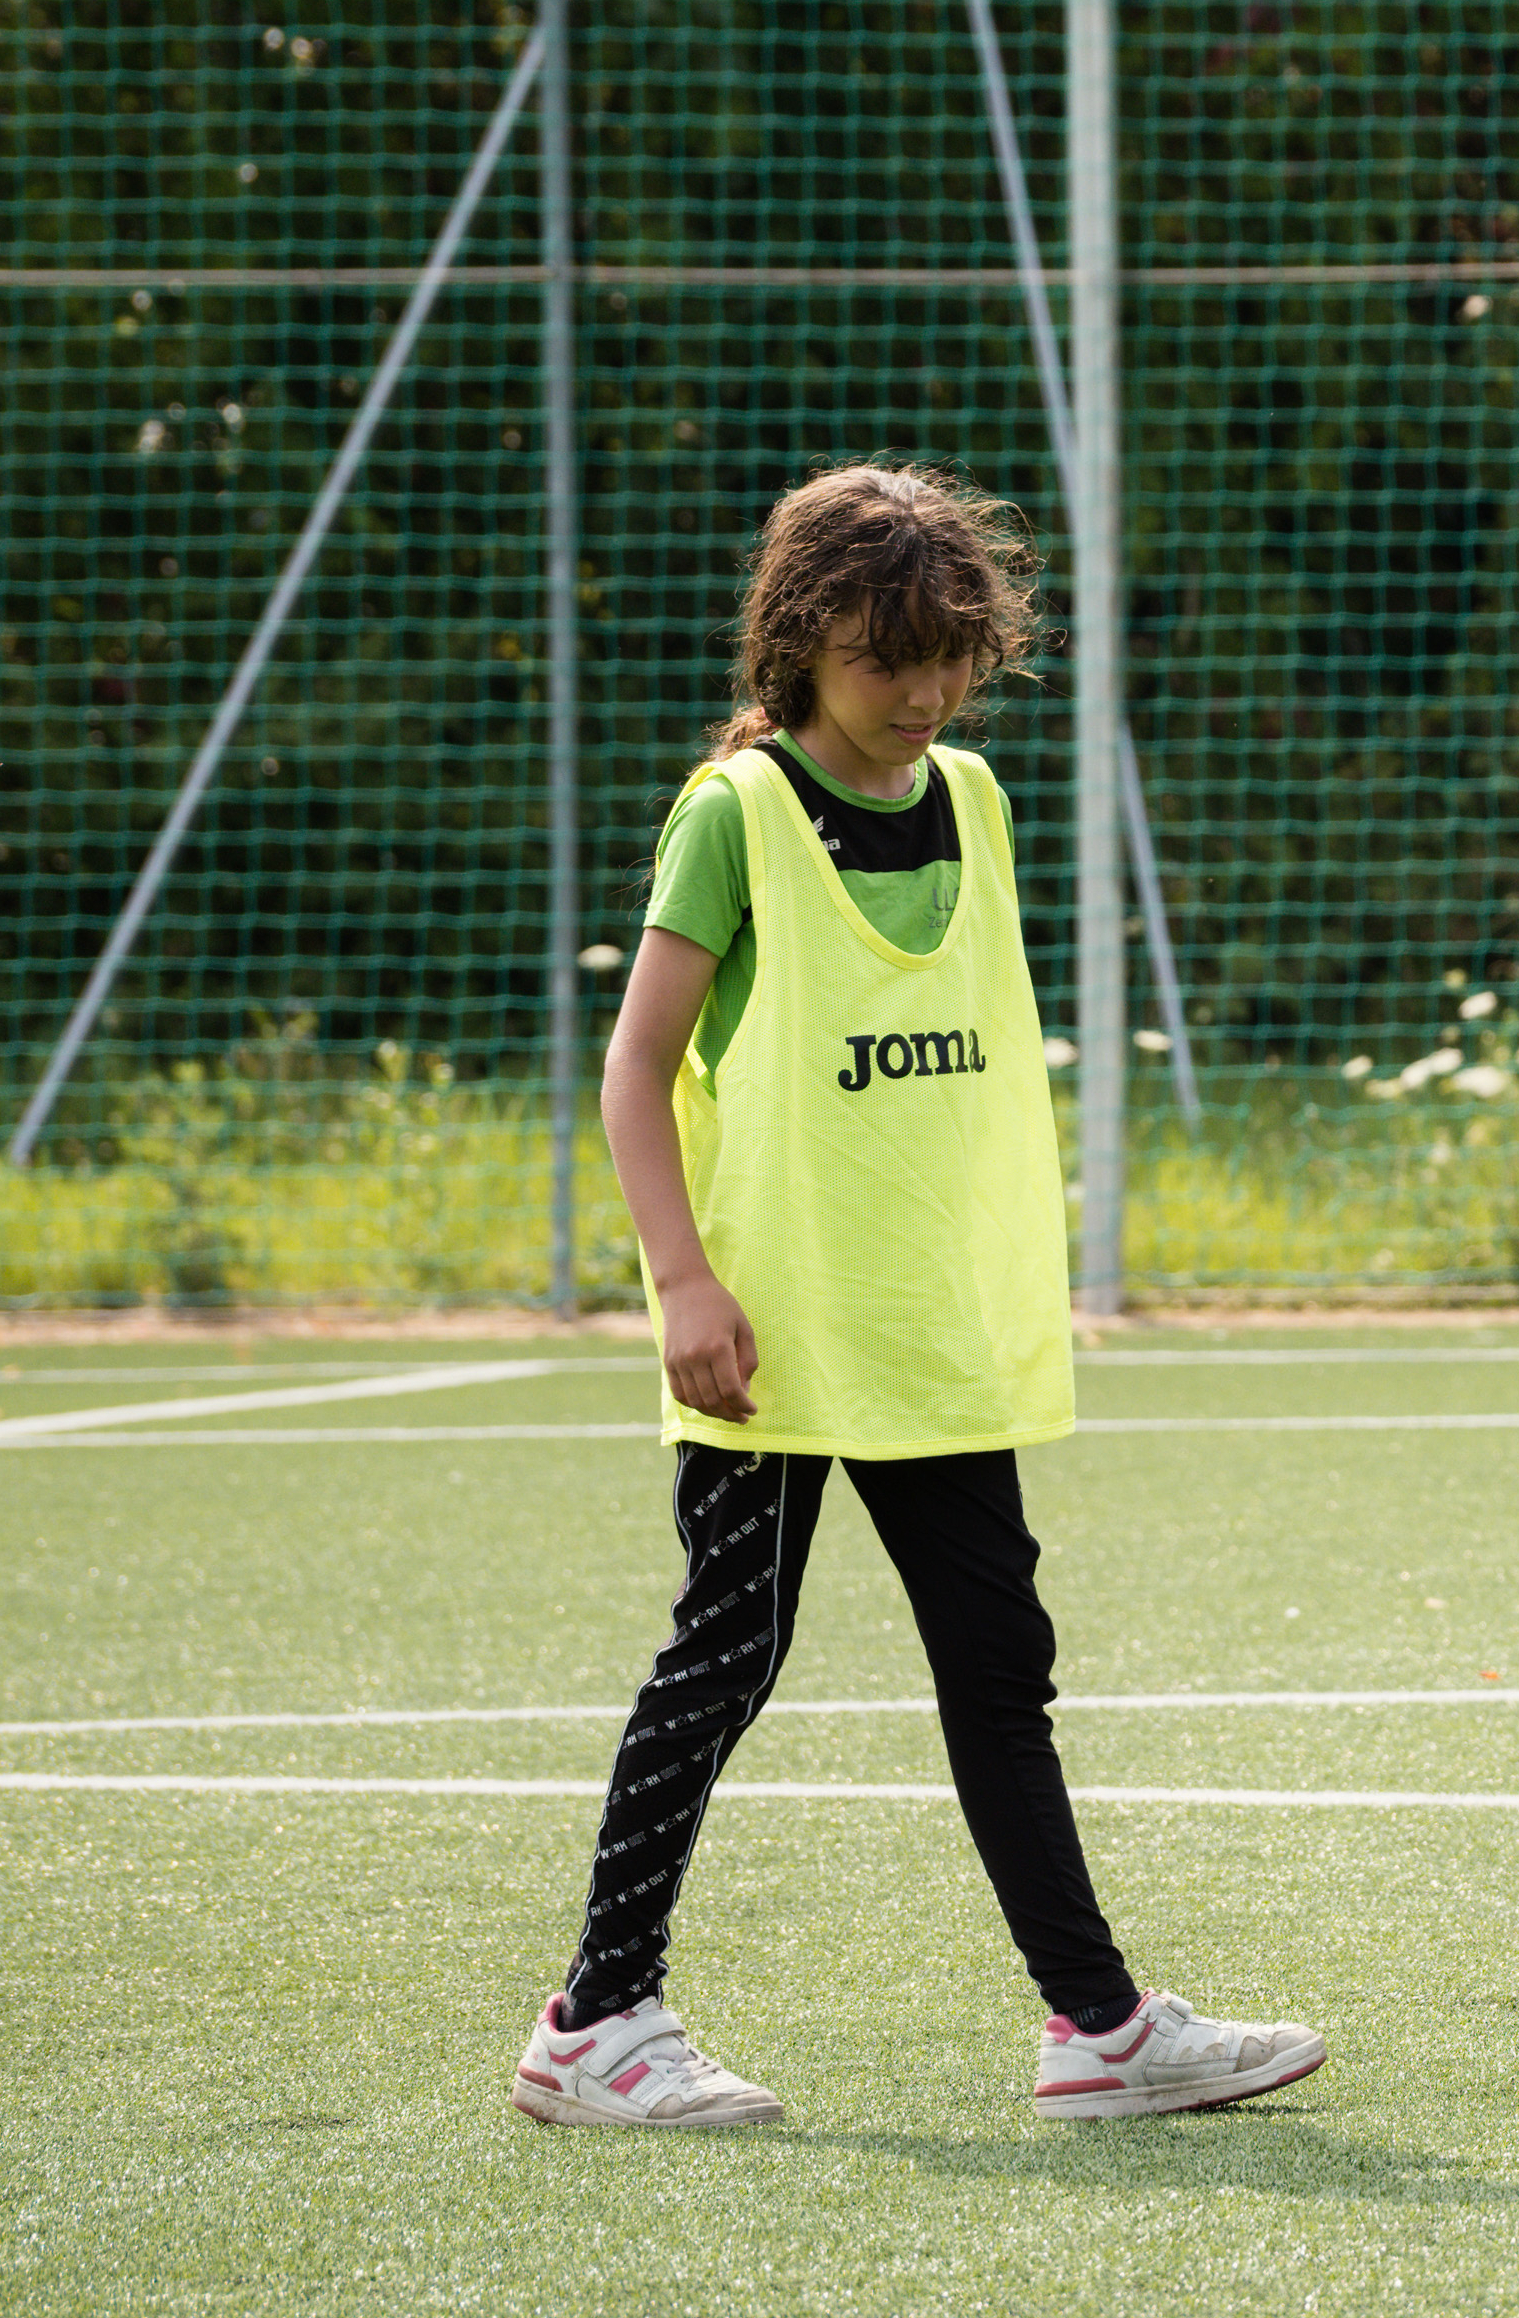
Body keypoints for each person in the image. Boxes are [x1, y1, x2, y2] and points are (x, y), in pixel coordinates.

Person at [511, 461, 1322, 2128]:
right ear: (801, 642)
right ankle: (595, 2018)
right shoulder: (732, 816)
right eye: (892, 656)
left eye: (954, 652)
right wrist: (681, 1276)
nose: (929, 689)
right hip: (772, 1334)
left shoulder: (973, 795)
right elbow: (635, 1066)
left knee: (997, 1659)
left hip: (930, 1331)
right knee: (725, 1653)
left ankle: (1094, 2022)